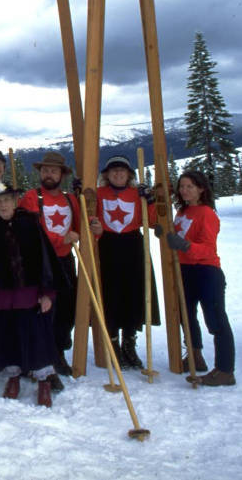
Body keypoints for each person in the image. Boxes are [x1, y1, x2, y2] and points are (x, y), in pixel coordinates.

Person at [0, 182, 63, 407]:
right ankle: (13, 378)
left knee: (37, 338)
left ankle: (44, 381)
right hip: (3, 296)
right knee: (8, 338)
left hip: (30, 293)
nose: (3, 205)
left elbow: (46, 259)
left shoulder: (31, 224)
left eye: (6, 200)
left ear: (15, 201)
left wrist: (47, 293)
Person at [156, 169, 236, 387]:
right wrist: (164, 233)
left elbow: (208, 248)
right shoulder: (182, 212)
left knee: (216, 320)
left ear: (201, 188)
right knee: (186, 315)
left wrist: (185, 245)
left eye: (189, 186)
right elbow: (177, 236)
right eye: (182, 186)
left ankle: (225, 370)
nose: (184, 190)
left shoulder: (207, 213)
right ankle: (195, 356)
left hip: (206, 271)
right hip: (185, 270)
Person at [88, 156, 160, 369]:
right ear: (107, 175)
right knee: (110, 294)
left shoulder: (137, 195)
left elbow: (153, 220)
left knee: (133, 294)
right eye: (113, 171)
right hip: (108, 246)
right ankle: (113, 344)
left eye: (122, 171)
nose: (118, 174)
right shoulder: (99, 194)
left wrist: (151, 200)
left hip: (132, 247)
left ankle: (130, 342)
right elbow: (87, 213)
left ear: (129, 174)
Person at [18, 151, 78, 388]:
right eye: (45, 170)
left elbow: (80, 227)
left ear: (61, 174)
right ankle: (41, 357)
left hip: (65, 261)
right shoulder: (32, 197)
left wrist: (89, 227)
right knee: (43, 311)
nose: (48, 174)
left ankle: (59, 352)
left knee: (65, 309)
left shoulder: (71, 199)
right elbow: (30, 231)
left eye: (53, 170)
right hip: (40, 262)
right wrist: (59, 240)